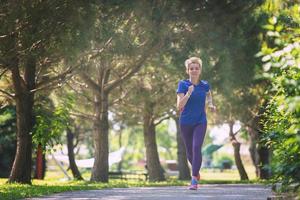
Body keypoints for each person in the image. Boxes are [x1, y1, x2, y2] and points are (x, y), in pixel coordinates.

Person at [176, 56, 216, 190]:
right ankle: (196, 172)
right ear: (188, 70)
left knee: (196, 147)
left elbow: (208, 93)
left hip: (200, 121)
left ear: (200, 70)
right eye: (191, 68)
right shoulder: (183, 84)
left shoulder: (205, 85)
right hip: (186, 122)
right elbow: (179, 106)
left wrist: (210, 104)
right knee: (189, 152)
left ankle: (193, 180)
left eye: (196, 68)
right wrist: (188, 94)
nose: (194, 70)